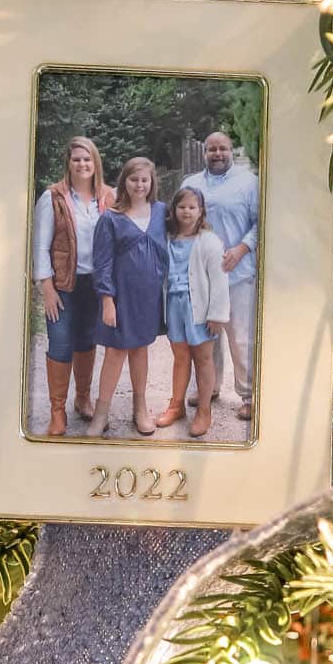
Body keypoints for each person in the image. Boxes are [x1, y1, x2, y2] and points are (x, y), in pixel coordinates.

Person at [30, 136, 110, 437]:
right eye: (76, 158)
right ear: (68, 163)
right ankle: (57, 412)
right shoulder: (52, 198)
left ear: (95, 162)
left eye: (87, 158)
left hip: (94, 284)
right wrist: (47, 288)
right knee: (61, 343)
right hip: (63, 285)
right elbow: (40, 247)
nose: (82, 163)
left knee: (87, 341)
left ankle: (83, 399)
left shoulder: (108, 198)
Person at [87, 156, 168, 439]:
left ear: (152, 182)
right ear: (125, 182)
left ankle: (140, 408)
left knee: (140, 349)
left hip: (149, 298)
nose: (140, 185)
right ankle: (101, 414)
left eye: (145, 180)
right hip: (121, 298)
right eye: (134, 179)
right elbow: (103, 261)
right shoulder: (112, 217)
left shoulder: (161, 212)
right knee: (115, 351)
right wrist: (107, 299)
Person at [181, 130, 260, 420]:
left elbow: (259, 222)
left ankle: (249, 395)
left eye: (223, 148)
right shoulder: (191, 183)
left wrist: (241, 248)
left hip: (238, 272)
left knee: (240, 337)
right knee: (205, 336)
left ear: (231, 150)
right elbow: (183, 221)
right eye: (212, 149)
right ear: (204, 153)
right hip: (202, 276)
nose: (217, 153)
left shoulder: (249, 182)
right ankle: (208, 387)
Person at [155, 185, 229, 437]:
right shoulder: (168, 238)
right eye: (181, 207)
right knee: (180, 356)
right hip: (175, 305)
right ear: (174, 210)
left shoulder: (208, 241)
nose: (186, 212)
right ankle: (176, 406)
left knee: (203, 358)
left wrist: (217, 314)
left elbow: (219, 280)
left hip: (200, 308)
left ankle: (204, 410)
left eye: (192, 207)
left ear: (201, 211)